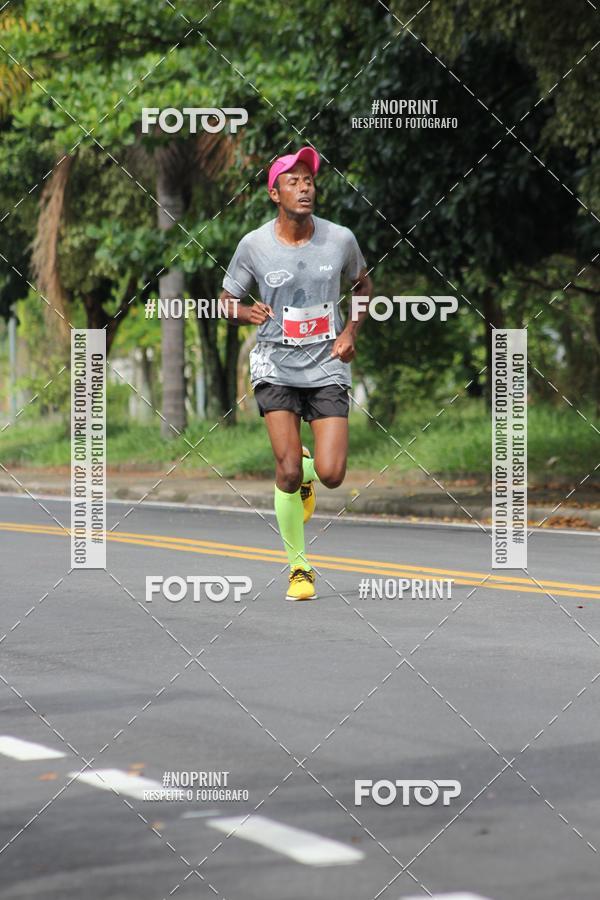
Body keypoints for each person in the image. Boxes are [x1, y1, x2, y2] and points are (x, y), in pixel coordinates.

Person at [220, 147, 372, 600]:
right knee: (284, 472)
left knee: (332, 474)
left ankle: (310, 468)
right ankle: (299, 567)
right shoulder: (253, 245)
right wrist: (245, 312)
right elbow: (226, 300)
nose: (305, 187)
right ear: (274, 193)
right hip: (275, 362)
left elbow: (362, 284)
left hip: (327, 363)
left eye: (309, 180)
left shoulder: (340, 239)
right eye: (294, 181)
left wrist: (350, 330)